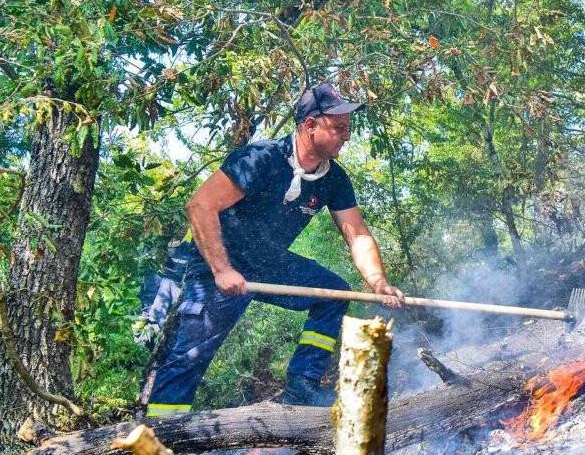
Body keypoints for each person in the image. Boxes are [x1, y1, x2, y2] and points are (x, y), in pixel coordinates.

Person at [144, 82, 404, 417]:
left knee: (335, 294)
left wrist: (379, 282)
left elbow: (357, 236)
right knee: (190, 356)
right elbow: (200, 206)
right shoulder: (259, 159)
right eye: (338, 128)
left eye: (348, 129)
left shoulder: (334, 179)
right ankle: (157, 443)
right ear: (310, 126)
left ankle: (302, 386)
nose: (346, 136)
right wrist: (222, 270)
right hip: (218, 264)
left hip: (268, 262)